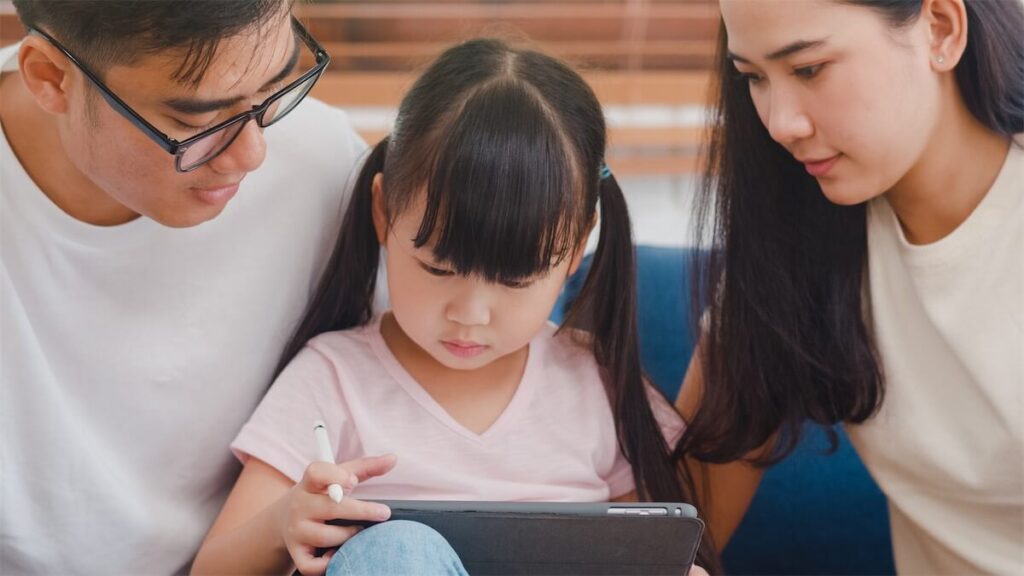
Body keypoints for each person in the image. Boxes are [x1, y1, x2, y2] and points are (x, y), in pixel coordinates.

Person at [190, 38, 716, 576]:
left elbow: (642, 551)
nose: (471, 314)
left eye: (515, 281)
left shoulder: (597, 383)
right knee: (397, 553)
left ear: (578, 247)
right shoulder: (332, 380)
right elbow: (213, 568)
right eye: (438, 269)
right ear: (382, 212)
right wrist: (285, 523)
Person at [0, 1, 371, 573]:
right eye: (200, 119)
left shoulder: (324, 165)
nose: (253, 154)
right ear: (51, 79)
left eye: (276, 84)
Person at [675, 0, 1023, 574]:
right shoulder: (802, 240)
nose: (780, 123)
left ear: (940, 28)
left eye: (809, 69)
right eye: (754, 78)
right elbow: (673, 525)